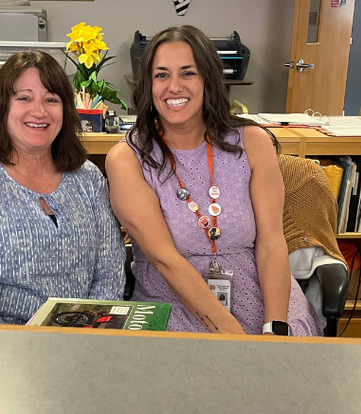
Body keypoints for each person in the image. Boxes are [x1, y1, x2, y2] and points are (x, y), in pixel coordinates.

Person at [105, 26, 319, 336]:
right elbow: (165, 260)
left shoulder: (254, 142)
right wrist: (235, 339)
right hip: (173, 300)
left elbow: (272, 243)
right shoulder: (127, 159)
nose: (174, 87)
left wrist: (275, 327)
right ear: (148, 85)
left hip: (261, 293)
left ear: (208, 80)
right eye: (162, 75)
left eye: (188, 73)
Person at [0, 50, 125, 323]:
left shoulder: (88, 179)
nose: (39, 111)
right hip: (2, 349)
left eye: (51, 99)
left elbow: (110, 273)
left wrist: (92, 332)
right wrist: (15, 346)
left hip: (84, 338)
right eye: (24, 98)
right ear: (2, 106)